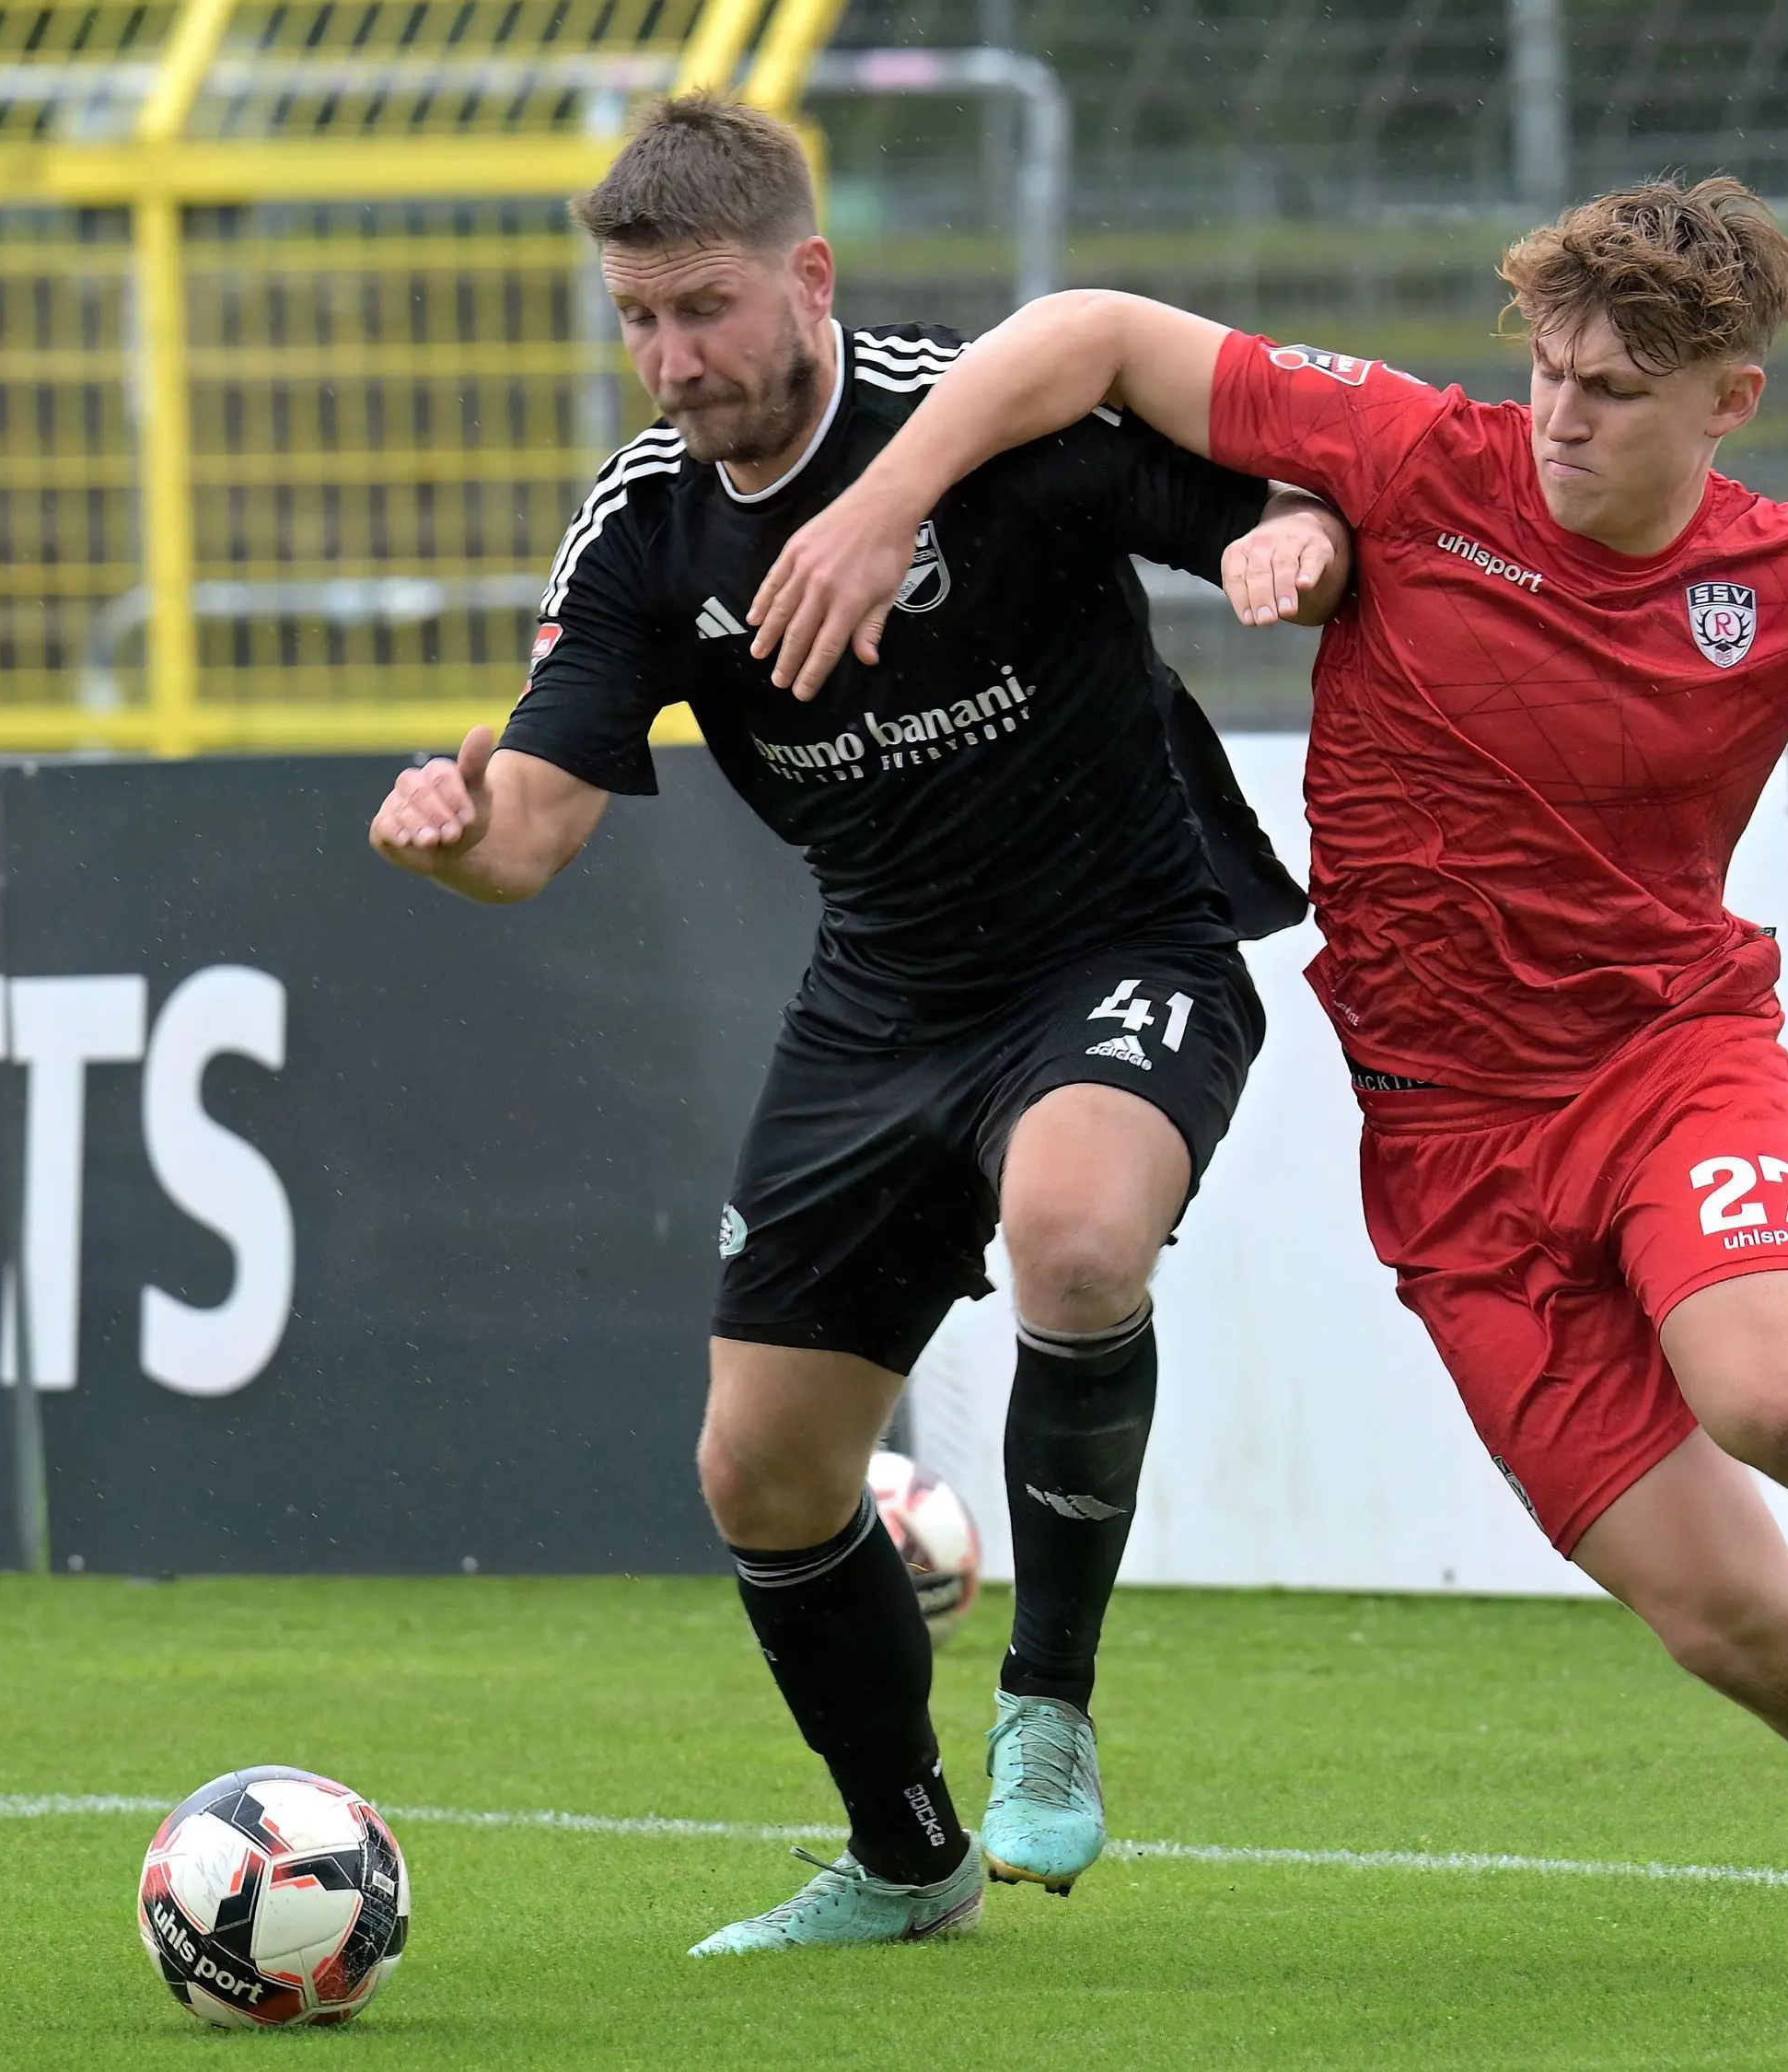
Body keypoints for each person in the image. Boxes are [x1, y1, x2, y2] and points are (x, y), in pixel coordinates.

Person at [749, 176, 1788, 1963]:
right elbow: (1096, 334)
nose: (1563, 415)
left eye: (1615, 391)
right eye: (1549, 372)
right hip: (1449, 1160)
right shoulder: (1417, 458)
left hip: (1667, 1069)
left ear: (1728, 401)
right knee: (1727, 1621)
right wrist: (882, 504)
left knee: (1778, 1394)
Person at [366, 96, 1353, 1954]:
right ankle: (906, 1858)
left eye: (705, 309)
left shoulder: (976, 419)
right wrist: (451, 837)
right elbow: (532, 835)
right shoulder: (644, 528)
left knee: (1076, 1234)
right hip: (884, 1000)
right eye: (638, 319)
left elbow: (1281, 499)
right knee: (760, 1471)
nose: (672, 359)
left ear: (809, 276)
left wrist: (1280, 547)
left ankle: (1046, 1707)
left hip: (1122, 944)